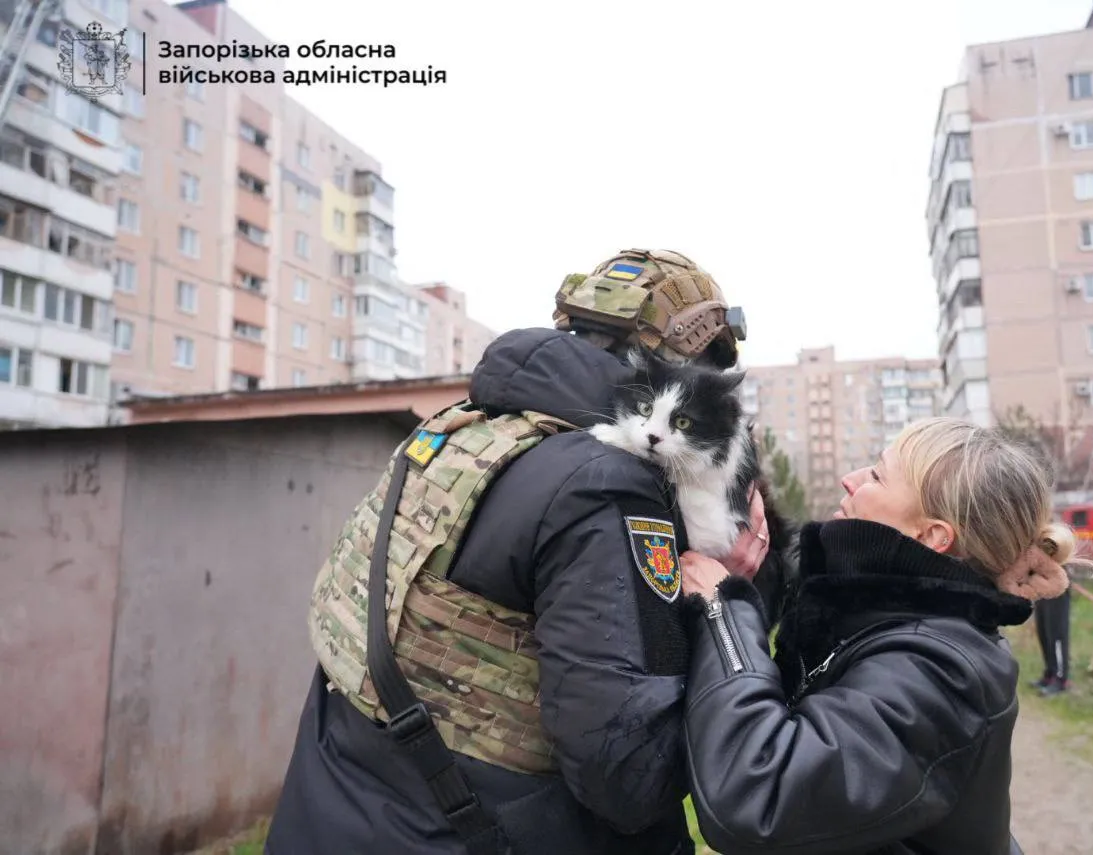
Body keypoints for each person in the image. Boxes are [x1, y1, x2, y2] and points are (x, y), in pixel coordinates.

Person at [265, 249, 784, 855]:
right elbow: (627, 774)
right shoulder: (605, 486)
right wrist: (721, 601)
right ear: (676, 367)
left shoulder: (460, 430)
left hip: (331, 805)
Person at [679, 417, 1093, 855]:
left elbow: (760, 795)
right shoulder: (871, 615)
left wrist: (722, 612)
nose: (850, 480)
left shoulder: (942, 669)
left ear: (933, 535)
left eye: (877, 476)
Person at [1031, 587, 1072, 696]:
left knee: (1056, 634)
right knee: (1044, 633)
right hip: (1041, 589)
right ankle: (1050, 674)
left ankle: (1060, 679)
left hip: (1057, 589)